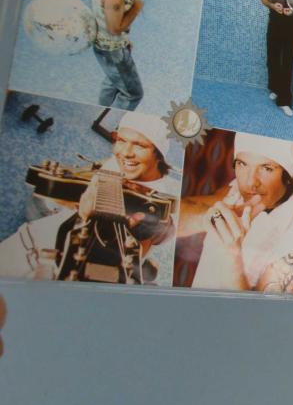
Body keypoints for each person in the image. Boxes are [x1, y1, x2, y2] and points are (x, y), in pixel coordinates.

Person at [0, 112, 179, 283]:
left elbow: (127, 254)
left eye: (139, 145)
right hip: (64, 219)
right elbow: (109, 162)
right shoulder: (126, 163)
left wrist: (83, 217)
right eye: (121, 140)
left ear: (158, 155)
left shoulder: (157, 203)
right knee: (39, 201)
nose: (125, 152)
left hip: (74, 245)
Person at [179, 132, 293, 294]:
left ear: (286, 175)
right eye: (243, 164)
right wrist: (208, 219)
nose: (251, 182)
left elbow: (256, 311)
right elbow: (174, 215)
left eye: (266, 168)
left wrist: (232, 255)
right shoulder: (235, 193)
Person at [91, 0, 145, 110]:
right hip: (113, 50)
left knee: (113, 82)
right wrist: (136, 7)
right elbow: (114, 29)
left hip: (105, 46)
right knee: (133, 94)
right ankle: (110, 122)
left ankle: (98, 114)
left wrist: (124, 40)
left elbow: (107, 20)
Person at [260, 0, 293, 117]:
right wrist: (272, 5)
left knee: (287, 65)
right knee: (272, 60)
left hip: (291, 30)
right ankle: (275, 88)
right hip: (274, 26)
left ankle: (284, 101)